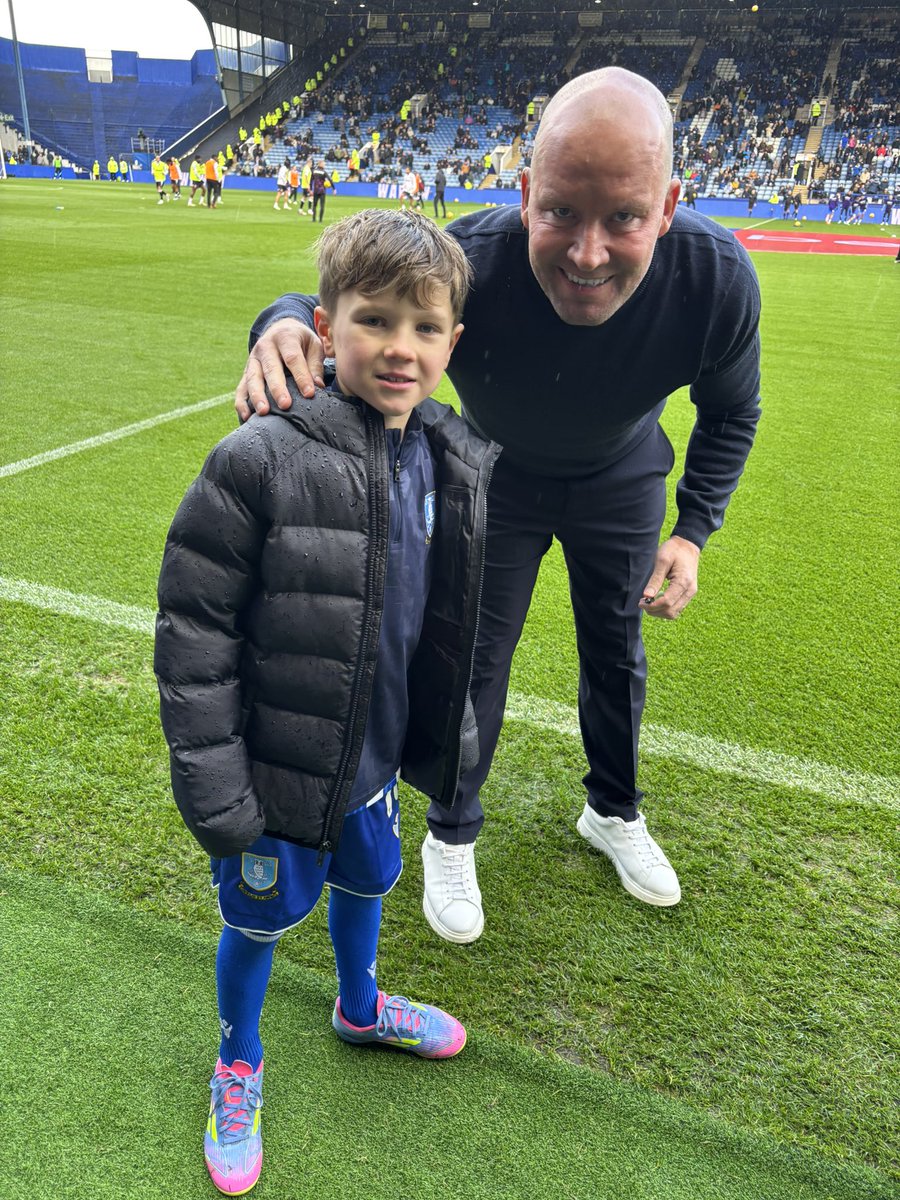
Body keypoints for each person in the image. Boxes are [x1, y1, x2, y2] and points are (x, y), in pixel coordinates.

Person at [233, 67, 763, 943]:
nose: (587, 253)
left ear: (669, 206)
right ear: (523, 193)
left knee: (616, 654)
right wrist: (280, 318)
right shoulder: (472, 260)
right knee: (473, 658)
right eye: (559, 212)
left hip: (623, 478)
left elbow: (733, 408)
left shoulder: (714, 280)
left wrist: (694, 531)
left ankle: (614, 809)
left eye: (624, 219)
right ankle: (451, 829)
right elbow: (356, 297)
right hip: (493, 478)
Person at [156, 209, 497, 1196]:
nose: (400, 347)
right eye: (375, 320)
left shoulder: (443, 455)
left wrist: (438, 744)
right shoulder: (260, 458)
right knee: (258, 923)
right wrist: (222, 792)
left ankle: (359, 1004)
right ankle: (238, 1061)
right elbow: (194, 636)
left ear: (452, 344)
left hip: (375, 763)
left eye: (424, 328)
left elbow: (439, 624)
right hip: (273, 781)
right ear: (324, 325)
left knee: (368, 883)